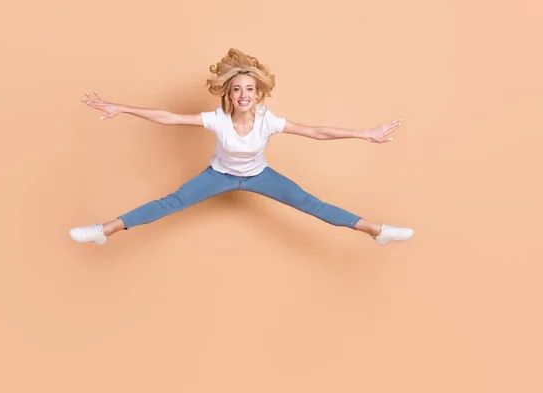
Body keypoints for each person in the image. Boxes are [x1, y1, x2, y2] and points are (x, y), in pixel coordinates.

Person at [69, 48, 414, 246]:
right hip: (219, 175)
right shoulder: (217, 119)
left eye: (249, 89)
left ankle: (376, 231)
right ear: (228, 94)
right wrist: (124, 107)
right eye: (236, 90)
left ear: (257, 93)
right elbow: (170, 118)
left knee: (311, 204)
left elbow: (316, 132)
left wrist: (363, 133)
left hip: (259, 176)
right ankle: (105, 230)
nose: (244, 95)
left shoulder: (267, 119)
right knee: (170, 203)